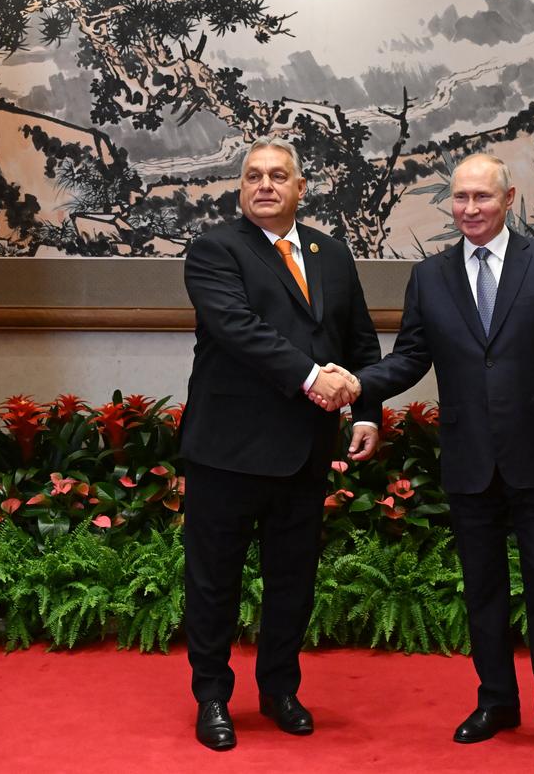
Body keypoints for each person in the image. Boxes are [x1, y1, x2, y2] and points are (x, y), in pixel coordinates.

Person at [315, 153, 534, 767]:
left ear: (509, 198)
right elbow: (410, 358)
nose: (470, 209)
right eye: (460, 198)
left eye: (482, 197)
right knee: (482, 591)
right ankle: (496, 700)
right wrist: (357, 385)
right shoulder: (431, 275)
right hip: (470, 459)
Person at [179, 136, 381, 751]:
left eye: (277, 176)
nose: (264, 185)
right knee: (214, 581)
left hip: (304, 450)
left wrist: (366, 411)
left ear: (300, 187)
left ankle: (279, 691)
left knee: (292, 578)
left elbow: (361, 341)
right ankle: (213, 697)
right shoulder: (215, 249)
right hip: (227, 451)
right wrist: (313, 377)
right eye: (252, 176)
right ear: (241, 189)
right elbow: (239, 330)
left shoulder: (332, 252)